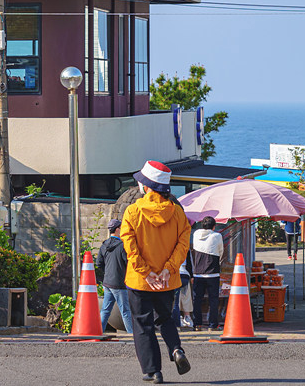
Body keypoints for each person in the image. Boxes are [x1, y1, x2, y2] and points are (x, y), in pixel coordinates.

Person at [119, 161, 192, 384]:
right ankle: (176, 349)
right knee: (165, 318)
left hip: (140, 280)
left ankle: (154, 371)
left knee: (143, 324)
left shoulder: (132, 211)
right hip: (167, 280)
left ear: (147, 186)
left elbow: (129, 246)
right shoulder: (177, 213)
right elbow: (183, 245)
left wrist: (146, 272)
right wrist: (168, 269)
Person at [95, 218, 133, 334]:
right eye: (121, 228)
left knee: (105, 310)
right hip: (119, 283)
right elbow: (128, 263)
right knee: (125, 311)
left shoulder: (104, 245)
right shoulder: (122, 246)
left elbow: (98, 263)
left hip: (107, 282)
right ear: (117, 229)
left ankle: (99, 332)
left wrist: (107, 273)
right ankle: (132, 334)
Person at [190, 216, 224, 331]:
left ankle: (197, 324)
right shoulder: (217, 236)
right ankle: (212, 325)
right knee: (213, 300)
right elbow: (220, 252)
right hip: (213, 273)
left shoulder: (196, 234)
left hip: (198, 273)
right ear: (214, 226)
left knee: (197, 300)